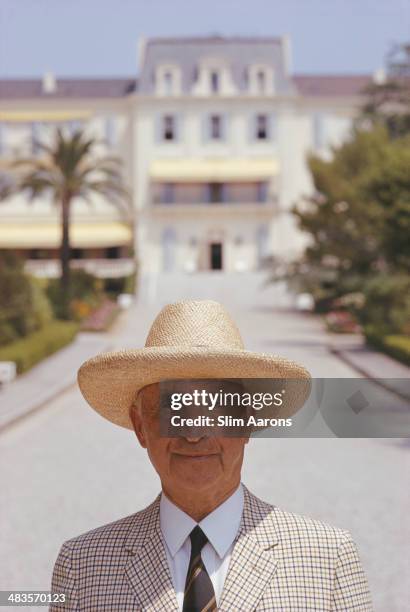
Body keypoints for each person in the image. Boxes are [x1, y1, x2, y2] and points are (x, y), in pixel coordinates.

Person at [50, 300, 372, 611]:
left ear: (247, 422)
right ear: (139, 426)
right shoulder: (82, 566)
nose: (193, 432)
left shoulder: (327, 559)